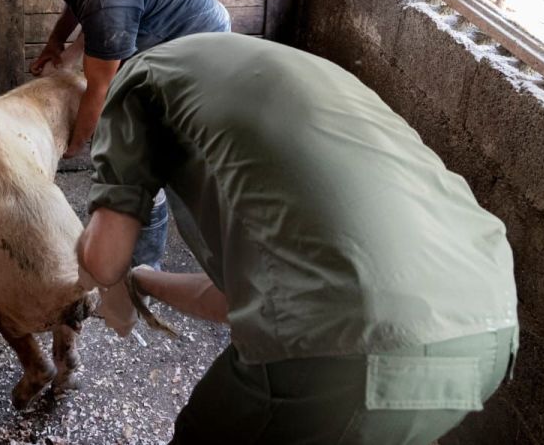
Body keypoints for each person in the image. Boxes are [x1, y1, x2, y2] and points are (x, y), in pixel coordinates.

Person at [77, 33, 520, 444]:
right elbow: (247, 305)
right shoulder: (285, 77)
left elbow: (103, 261)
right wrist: (144, 281)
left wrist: (107, 275)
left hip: (351, 349)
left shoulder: (138, 79)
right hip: (487, 332)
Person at [0, 0, 228, 269]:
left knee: (140, 166)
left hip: (199, 51)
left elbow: (99, 89)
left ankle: (142, 272)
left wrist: (71, 144)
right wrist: (57, 43)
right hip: (168, 27)